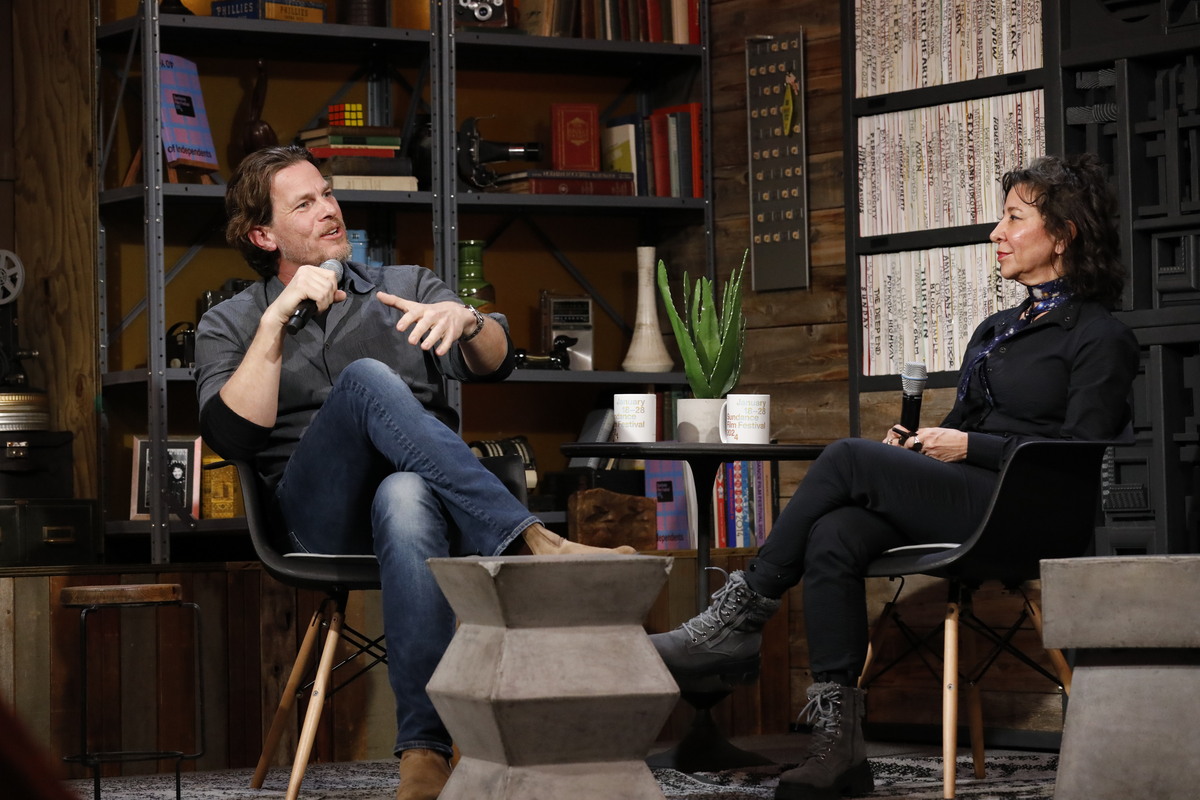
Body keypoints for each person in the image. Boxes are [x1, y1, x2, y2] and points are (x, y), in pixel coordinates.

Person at [651, 153, 1139, 800]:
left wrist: (968, 445)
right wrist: (918, 446)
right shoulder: (996, 330)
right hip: (973, 495)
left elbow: (1079, 447)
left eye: (1014, 218)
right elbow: (963, 422)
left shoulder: (1099, 335)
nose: (995, 232)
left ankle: (736, 620)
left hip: (1033, 508)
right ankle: (839, 749)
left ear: (1064, 233)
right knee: (838, 533)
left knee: (847, 459)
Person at [194, 144, 633, 800]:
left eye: (329, 194)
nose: (328, 211)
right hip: (317, 516)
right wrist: (277, 321)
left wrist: (472, 320)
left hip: (424, 516)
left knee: (403, 495)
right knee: (369, 381)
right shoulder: (232, 321)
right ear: (263, 233)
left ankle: (423, 757)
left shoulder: (406, 287)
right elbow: (232, 433)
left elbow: (496, 362)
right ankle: (528, 540)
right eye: (305, 204)